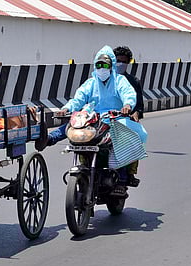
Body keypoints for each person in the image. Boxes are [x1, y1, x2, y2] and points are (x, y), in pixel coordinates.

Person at [35, 45, 146, 192]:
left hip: (114, 118)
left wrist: (127, 105)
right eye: (99, 64)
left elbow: (129, 95)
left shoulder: (120, 81)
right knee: (73, 124)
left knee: (126, 139)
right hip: (93, 118)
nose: (101, 68)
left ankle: (122, 179)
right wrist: (66, 109)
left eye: (105, 65)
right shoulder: (90, 83)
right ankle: (48, 139)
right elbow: (78, 99)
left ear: (110, 65)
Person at [114, 46, 144, 186]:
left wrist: (135, 113)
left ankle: (130, 173)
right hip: (102, 118)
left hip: (122, 118)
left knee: (134, 136)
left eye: (123, 61)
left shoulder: (133, 82)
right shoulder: (100, 80)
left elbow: (138, 105)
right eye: (117, 61)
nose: (120, 64)